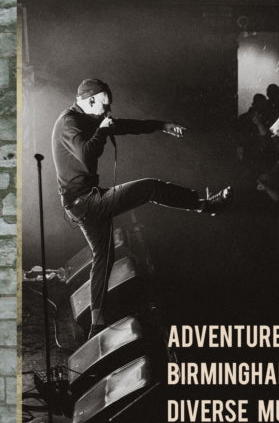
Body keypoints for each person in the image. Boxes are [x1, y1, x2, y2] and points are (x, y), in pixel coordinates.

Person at [52, 78, 233, 338]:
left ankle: (96, 324)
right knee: (149, 187)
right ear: (90, 100)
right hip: (86, 202)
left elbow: (127, 126)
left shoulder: (90, 116)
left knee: (103, 258)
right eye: (104, 104)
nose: (108, 110)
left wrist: (161, 125)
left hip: (83, 201)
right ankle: (204, 205)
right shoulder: (69, 122)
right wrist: (102, 131)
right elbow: (86, 155)